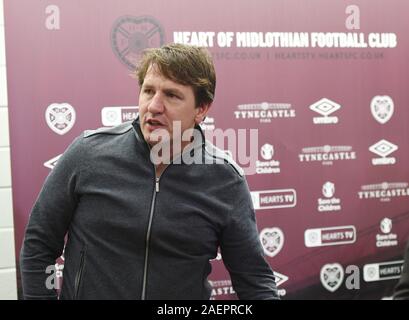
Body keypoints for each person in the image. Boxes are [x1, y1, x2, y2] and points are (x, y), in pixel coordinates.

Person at [20, 43, 279, 300]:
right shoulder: (88, 153)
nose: (154, 106)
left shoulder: (225, 180)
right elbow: (39, 243)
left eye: (172, 95)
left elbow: (254, 279)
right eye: (148, 91)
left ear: (201, 109)